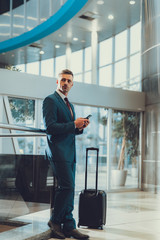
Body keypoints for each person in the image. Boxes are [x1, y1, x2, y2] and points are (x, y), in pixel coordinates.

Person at [43, 69, 90, 239]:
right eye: (63, 80)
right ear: (57, 82)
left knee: (70, 189)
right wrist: (73, 125)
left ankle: (69, 225)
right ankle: (55, 221)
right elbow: (50, 128)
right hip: (58, 151)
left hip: (70, 152)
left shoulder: (69, 104)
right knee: (67, 186)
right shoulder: (50, 100)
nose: (65, 83)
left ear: (72, 84)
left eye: (69, 81)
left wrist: (79, 127)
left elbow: (69, 129)